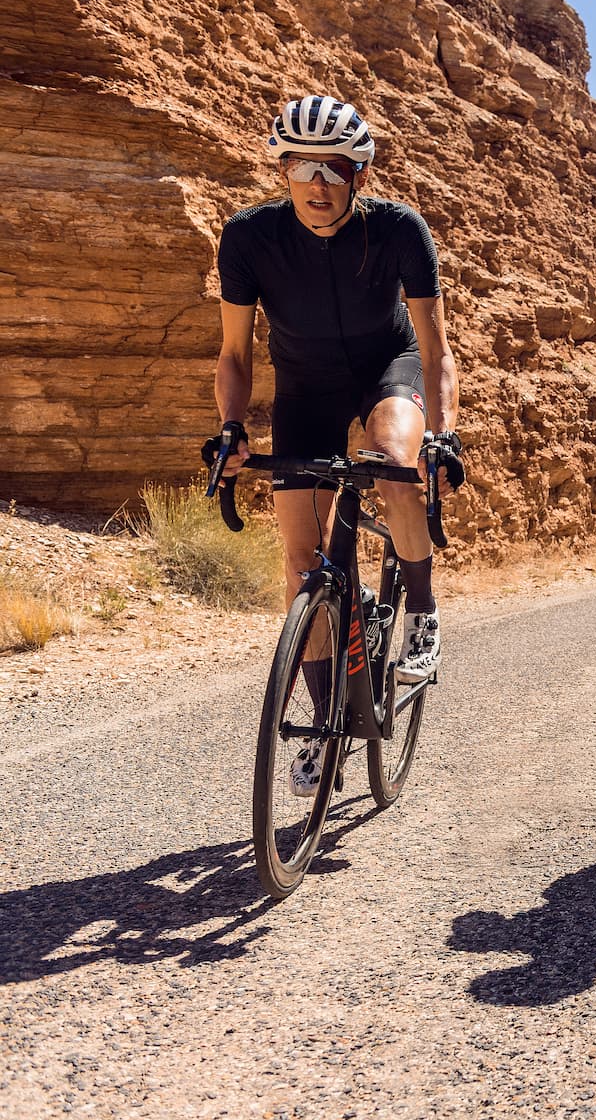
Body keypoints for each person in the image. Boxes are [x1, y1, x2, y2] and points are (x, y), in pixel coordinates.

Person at [211, 94, 463, 796]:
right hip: (306, 388)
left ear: (358, 174)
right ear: (283, 168)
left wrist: (442, 431)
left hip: (389, 368)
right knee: (301, 562)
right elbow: (233, 354)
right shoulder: (250, 237)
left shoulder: (398, 231)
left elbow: (437, 347)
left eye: (333, 168)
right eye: (301, 166)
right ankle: (328, 730)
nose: (316, 185)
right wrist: (232, 429)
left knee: (393, 458)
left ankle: (422, 611)